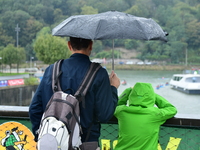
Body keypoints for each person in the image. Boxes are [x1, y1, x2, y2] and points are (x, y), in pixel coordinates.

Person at [29, 37, 120, 143]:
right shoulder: (99, 74)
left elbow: (34, 109)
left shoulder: (52, 70)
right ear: (90, 45)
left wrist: (40, 135)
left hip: (52, 142)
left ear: (69, 45)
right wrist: (113, 88)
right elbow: (104, 115)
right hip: (86, 142)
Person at [114, 82, 177, 150]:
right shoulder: (155, 114)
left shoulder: (122, 111)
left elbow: (114, 105)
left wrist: (128, 90)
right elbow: (172, 109)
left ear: (131, 96)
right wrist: (153, 95)